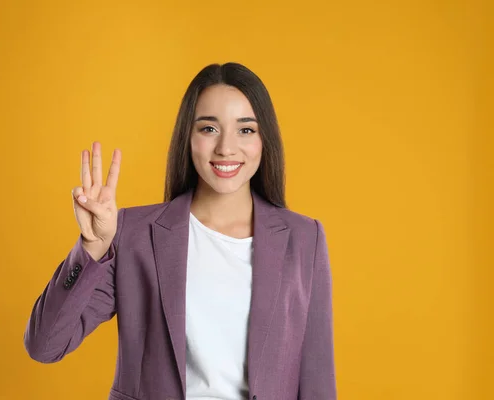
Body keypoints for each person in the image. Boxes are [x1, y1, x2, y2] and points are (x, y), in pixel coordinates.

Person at [24, 62, 336, 400]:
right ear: (187, 137)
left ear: (265, 140)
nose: (226, 148)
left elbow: (317, 380)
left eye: (246, 130)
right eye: (208, 129)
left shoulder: (305, 239)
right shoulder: (133, 235)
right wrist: (92, 248)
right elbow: (44, 345)